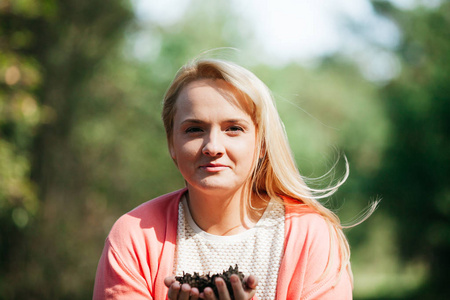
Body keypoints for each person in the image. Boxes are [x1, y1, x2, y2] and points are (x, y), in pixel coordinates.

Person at [93, 57, 372, 300]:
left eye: (233, 128)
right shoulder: (134, 237)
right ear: (171, 143)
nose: (212, 146)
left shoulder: (310, 236)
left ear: (261, 144)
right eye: (194, 129)